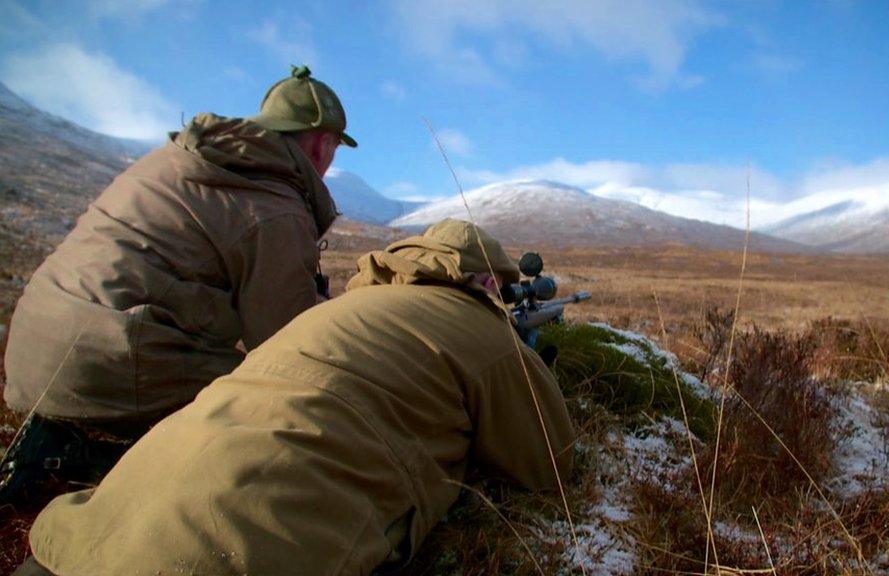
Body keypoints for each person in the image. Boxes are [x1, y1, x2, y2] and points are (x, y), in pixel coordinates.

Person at [15, 219, 576, 576]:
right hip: (248, 548)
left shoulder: (335, 310)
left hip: (99, 521)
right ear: (486, 284)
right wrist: (524, 361)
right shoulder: (477, 326)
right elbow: (548, 465)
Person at [0, 65, 357, 502]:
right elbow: (287, 348)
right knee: (276, 415)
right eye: (335, 148)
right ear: (322, 145)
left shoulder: (176, 159)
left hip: (33, 348)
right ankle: (95, 463)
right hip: (107, 362)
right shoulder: (275, 207)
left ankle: (75, 442)